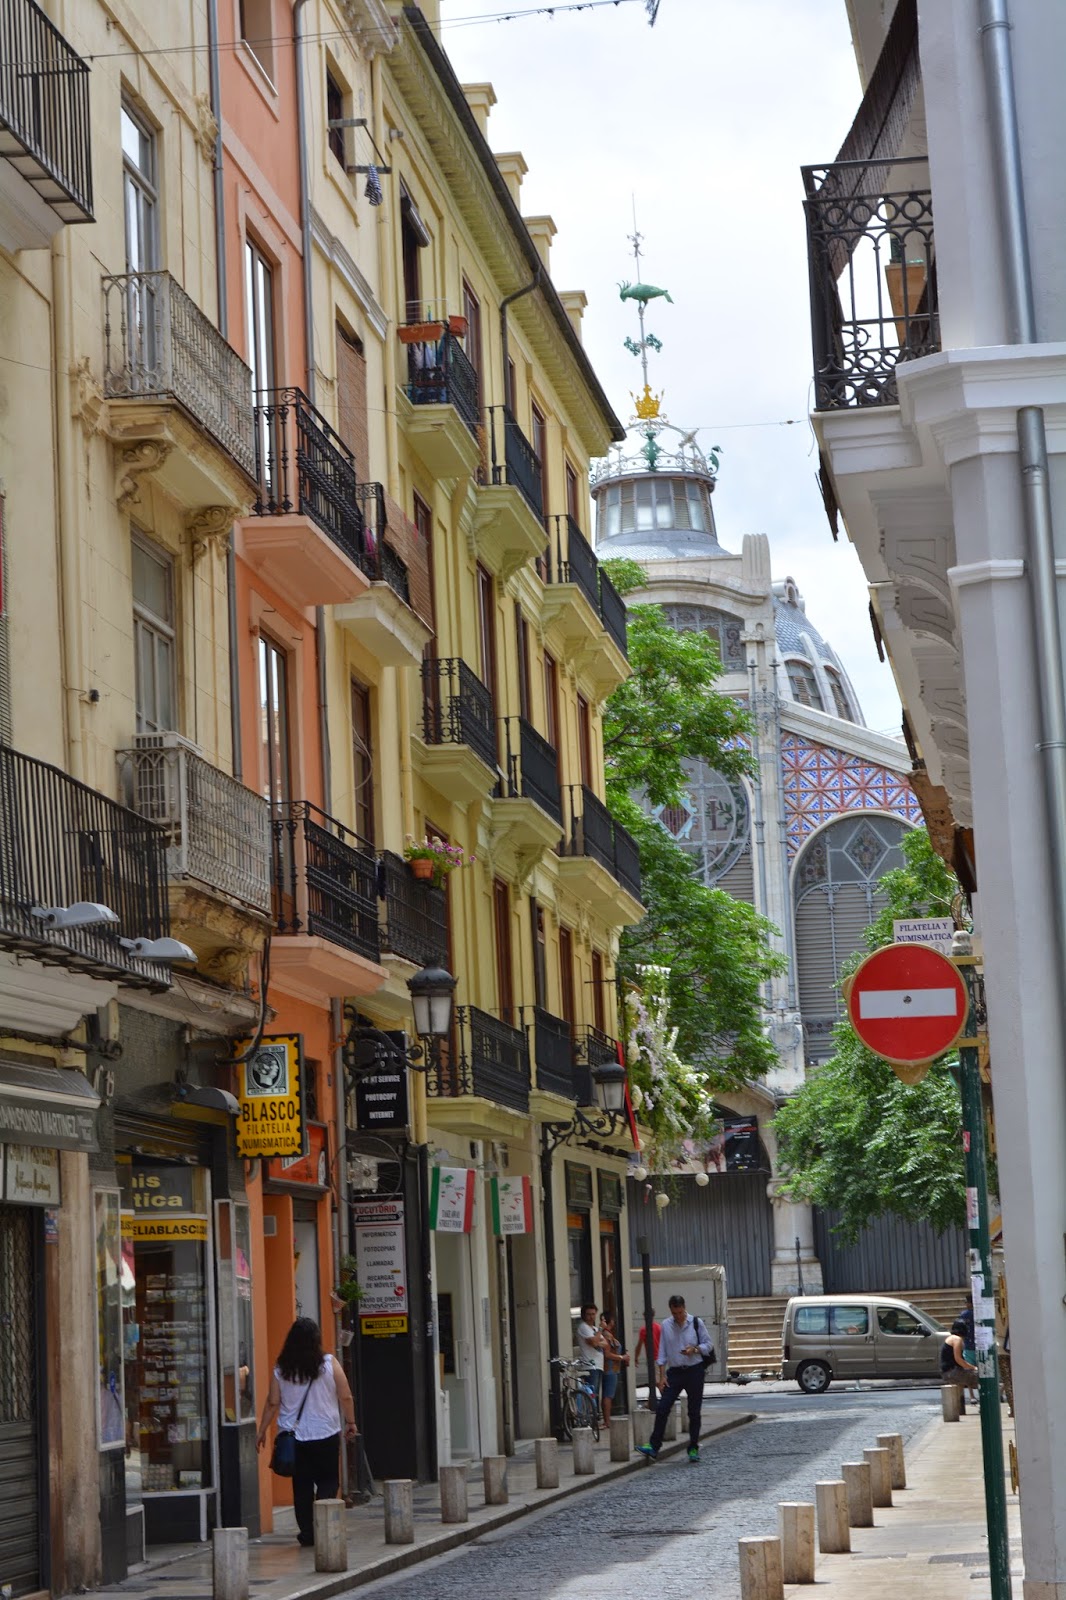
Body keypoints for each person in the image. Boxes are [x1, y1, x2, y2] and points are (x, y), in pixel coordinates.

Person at [256, 1317, 359, 1546]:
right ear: (316, 1339)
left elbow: (273, 1402)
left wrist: (262, 1430)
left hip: (295, 1438)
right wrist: (351, 1422)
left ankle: (307, 1533)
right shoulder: (329, 1363)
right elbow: (345, 1395)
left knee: (301, 1485)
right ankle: (325, 1527)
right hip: (326, 1433)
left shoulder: (281, 1368)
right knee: (328, 1480)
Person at [637, 1294, 712, 1463]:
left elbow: (708, 1345)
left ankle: (693, 1447)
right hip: (675, 1372)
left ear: (684, 1308)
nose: (678, 1316)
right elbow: (662, 1352)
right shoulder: (666, 1325)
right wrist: (661, 1376)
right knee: (663, 1407)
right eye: (674, 1313)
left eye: (680, 1313)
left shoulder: (696, 1323)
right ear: (670, 1310)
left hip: (694, 1370)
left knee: (694, 1412)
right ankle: (654, 1446)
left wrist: (695, 1349)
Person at [599, 1311, 629, 1427]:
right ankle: (607, 1421)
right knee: (608, 1395)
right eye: (612, 1320)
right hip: (610, 1368)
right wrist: (622, 1357)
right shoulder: (607, 1335)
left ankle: (606, 1419)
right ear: (610, 1321)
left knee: (607, 1395)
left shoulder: (606, 1334)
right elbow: (607, 1354)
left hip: (610, 1368)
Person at [575, 1302, 608, 1406]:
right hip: (589, 1365)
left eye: (593, 1314)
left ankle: (593, 1413)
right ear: (584, 1315)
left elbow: (606, 1344)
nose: (591, 1317)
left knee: (595, 1394)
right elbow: (593, 1342)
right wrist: (600, 1331)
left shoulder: (594, 1329)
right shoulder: (583, 1327)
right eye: (588, 1314)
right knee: (591, 1394)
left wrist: (596, 1341)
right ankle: (590, 1414)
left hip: (598, 1365)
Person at [939, 1318, 978, 1403]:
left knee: (972, 1375)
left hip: (947, 1371)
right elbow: (958, 1359)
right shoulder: (957, 1339)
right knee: (980, 1377)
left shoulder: (951, 1338)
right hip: (952, 1372)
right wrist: (973, 1367)